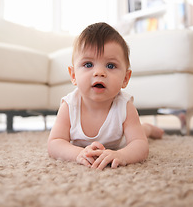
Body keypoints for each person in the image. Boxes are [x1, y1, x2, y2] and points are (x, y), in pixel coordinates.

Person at [47, 22, 164, 170]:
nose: (99, 72)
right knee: (138, 129)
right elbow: (55, 142)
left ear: (125, 78)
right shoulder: (69, 106)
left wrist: (122, 155)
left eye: (110, 66)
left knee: (141, 132)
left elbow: (140, 145)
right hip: (85, 146)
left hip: (119, 143)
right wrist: (79, 153)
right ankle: (145, 127)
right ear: (73, 75)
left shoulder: (125, 106)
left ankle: (147, 128)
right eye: (88, 64)